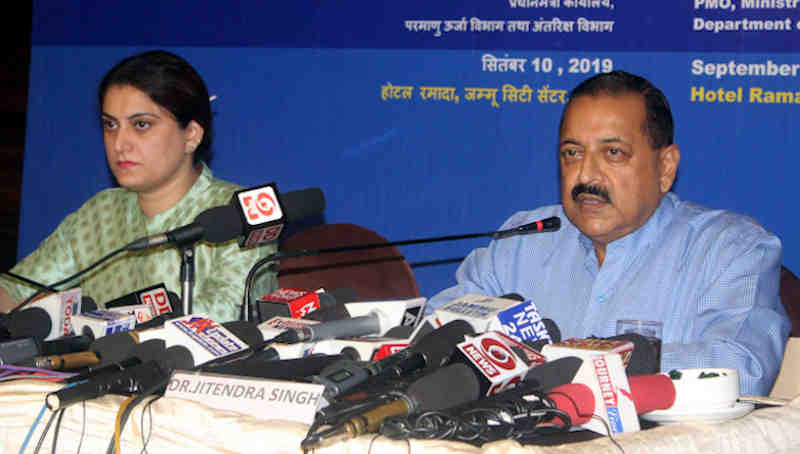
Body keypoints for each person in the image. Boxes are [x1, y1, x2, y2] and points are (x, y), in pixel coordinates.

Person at [426, 70, 790, 396]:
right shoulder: (522, 242)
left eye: (613, 152)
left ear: (665, 167)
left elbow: (742, 369)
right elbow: (437, 328)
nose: (586, 175)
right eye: (572, 153)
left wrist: (614, 358)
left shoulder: (730, 249)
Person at [0, 50, 275, 322]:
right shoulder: (100, 212)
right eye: (110, 125)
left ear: (191, 135)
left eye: (141, 124)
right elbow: (14, 290)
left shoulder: (239, 214)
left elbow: (226, 321)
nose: (119, 144)